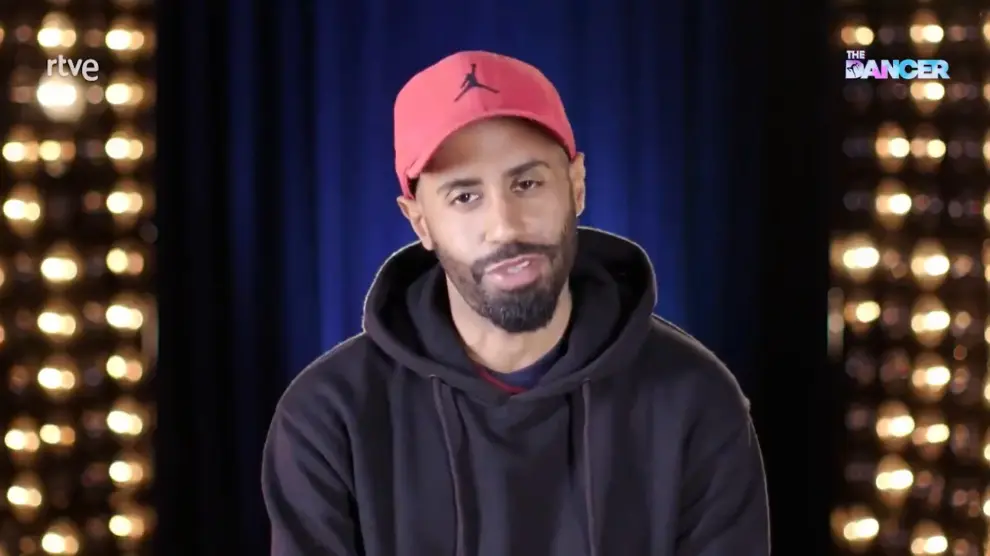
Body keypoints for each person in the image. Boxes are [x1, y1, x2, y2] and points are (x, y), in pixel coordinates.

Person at [262, 50, 770, 556]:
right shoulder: (328, 419)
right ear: (419, 221)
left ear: (576, 186)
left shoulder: (695, 400)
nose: (505, 226)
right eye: (465, 197)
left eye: (527, 183)